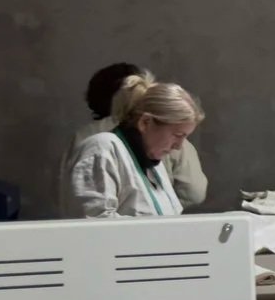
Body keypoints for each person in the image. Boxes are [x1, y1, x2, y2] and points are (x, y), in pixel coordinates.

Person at [69, 62, 206, 208]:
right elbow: (96, 225)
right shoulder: (102, 149)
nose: (179, 146)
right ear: (145, 122)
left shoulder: (153, 162)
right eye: (177, 135)